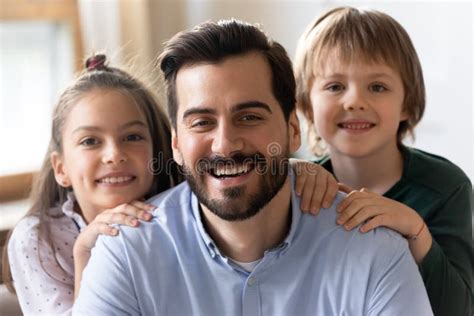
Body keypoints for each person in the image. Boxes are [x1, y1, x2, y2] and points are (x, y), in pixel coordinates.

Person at [73, 19, 432, 315]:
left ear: (293, 130)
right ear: (176, 144)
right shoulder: (125, 255)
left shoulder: (375, 252)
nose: (226, 144)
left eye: (249, 116)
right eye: (201, 122)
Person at [2, 54, 334, 315]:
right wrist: (84, 254)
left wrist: (294, 170)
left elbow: (236, 171)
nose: (114, 155)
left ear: (165, 148)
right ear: (61, 168)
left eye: (132, 137)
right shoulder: (38, 239)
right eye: (90, 141)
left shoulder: (187, 210)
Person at [293, 6, 472, 316]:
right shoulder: (300, 186)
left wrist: (414, 228)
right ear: (307, 107)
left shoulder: (446, 187)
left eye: (377, 87)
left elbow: (458, 309)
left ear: (408, 103)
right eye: (335, 86)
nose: (355, 101)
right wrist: (288, 172)